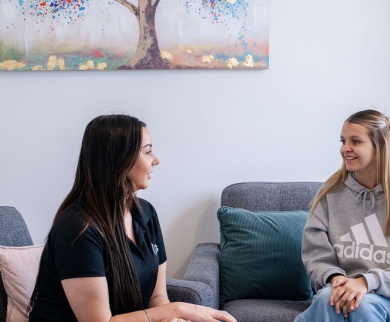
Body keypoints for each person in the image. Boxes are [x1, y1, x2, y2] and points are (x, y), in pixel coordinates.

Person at [28, 115, 236, 322]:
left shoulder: (146, 213)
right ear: (119, 160)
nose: (156, 159)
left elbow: (157, 297)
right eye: (147, 151)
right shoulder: (77, 229)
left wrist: (170, 319)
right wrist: (178, 310)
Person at [294, 109, 390, 322]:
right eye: (343, 141)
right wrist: (337, 279)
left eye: (355, 141)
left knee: (362, 306)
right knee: (327, 300)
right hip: (337, 289)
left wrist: (365, 283)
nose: (345, 149)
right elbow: (316, 255)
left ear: (379, 147)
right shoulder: (329, 194)